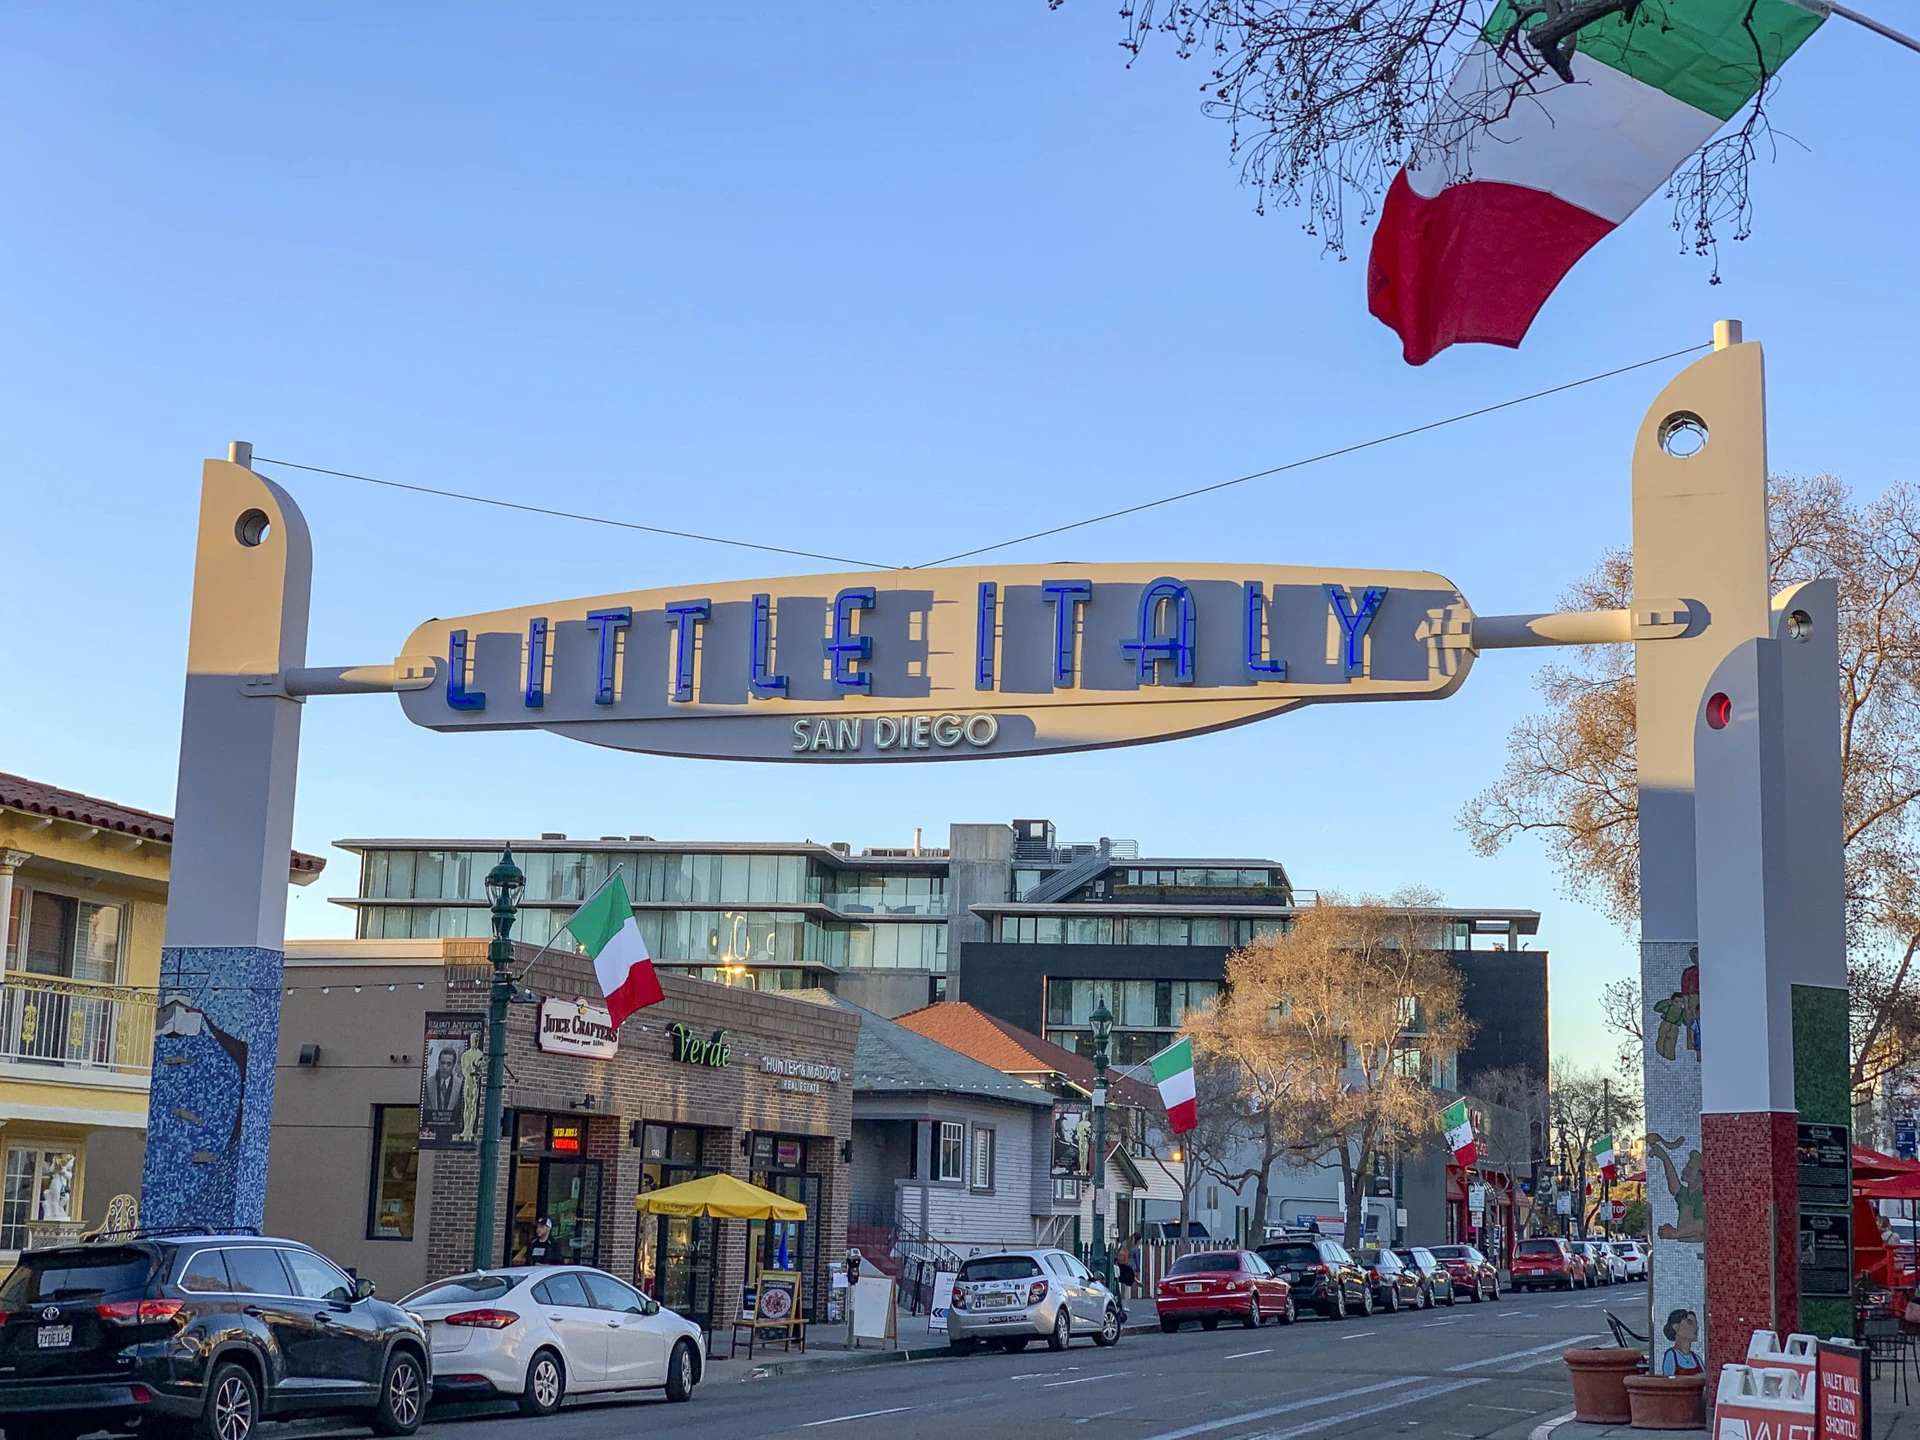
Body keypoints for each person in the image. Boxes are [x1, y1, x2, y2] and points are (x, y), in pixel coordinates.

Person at [1659, 1309, 1703, 1376]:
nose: (1696, 1328)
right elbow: (1668, 1382)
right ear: (1676, 1327)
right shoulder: (1671, 1355)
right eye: (1690, 1323)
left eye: (1696, 1324)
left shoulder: (1696, 1359)